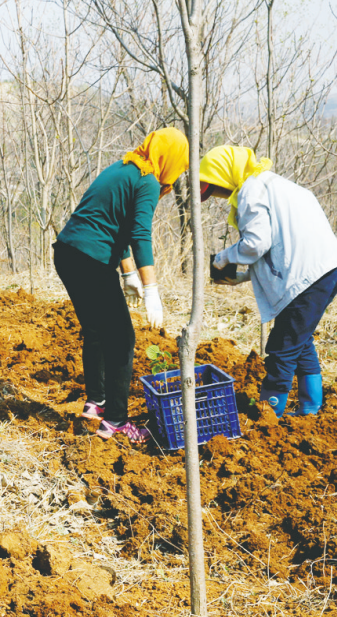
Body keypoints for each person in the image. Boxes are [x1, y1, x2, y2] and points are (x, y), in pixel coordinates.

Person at [54, 128, 189, 443]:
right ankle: (116, 420)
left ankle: (95, 403)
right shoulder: (148, 181)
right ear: (172, 159)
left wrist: (128, 273)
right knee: (123, 339)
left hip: (66, 254)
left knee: (96, 331)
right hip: (91, 261)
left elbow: (119, 225)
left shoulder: (124, 168)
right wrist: (151, 289)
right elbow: (140, 233)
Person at [201, 146, 337, 417]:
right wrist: (242, 277)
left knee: (282, 348)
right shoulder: (273, 185)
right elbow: (284, 246)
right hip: (322, 269)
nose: (220, 196)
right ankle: (310, 409)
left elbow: (256, 244)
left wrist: (223, 258)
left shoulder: (252, 191)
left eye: (216, 189)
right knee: (300, 340)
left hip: (307, 277)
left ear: (223, 175)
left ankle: (268, 418)